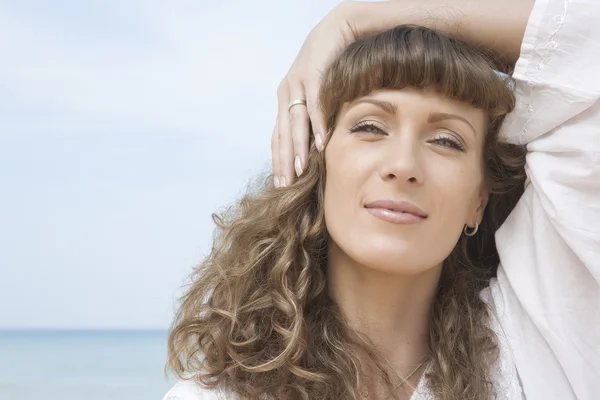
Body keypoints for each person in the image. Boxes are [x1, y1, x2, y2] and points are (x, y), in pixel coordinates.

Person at [163, 0, 600, 399]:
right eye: (370, 127)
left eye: (446, 140)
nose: (403, 164)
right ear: (317, 162)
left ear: (478, 201)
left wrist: (352, 19)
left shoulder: (534, 350)